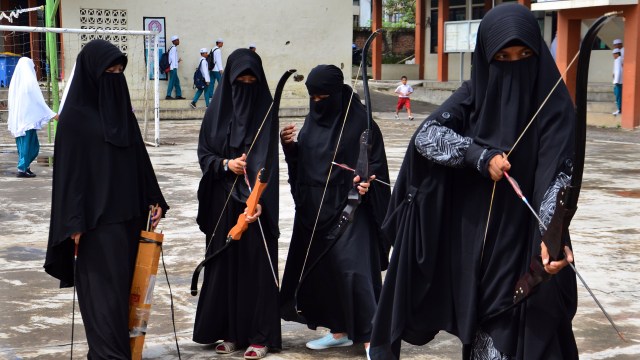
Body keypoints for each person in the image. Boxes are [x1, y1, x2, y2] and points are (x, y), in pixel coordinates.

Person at [369, 4, 578, 359]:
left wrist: (551, 236)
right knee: (482, 334)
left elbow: (557, 176)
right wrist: (479, 156)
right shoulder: (473, 95)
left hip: (528, 245)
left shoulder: (554, 105)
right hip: (475, 248)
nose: (514, 64)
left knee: (533, 337)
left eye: (525, 54)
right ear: (486, 58)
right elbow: (426, 136)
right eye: (503, 56)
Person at [44, 39, 169, 359]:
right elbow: (69, 181)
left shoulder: (122, 116)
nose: (115, 79)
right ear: (91, 75)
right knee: (104, 305)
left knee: (128, 300)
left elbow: (140, 163)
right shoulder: (73, 121)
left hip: (129, 224)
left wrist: (153, 202)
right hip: (95, 230)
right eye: (108, 73)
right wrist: (73, 226)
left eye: (120, 72)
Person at [279, 64, 391, 357]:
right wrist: (289, 147)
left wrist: (365, 182)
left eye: (322, 97)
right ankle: (338, 331)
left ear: (337, 93)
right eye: (312, 97)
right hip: (314, 209)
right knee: (324, 273)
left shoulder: (360, 123)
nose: (317, 103)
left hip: (350, 208)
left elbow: (375, 167)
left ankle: (372, 340)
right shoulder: (312, 121)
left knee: (354, 271)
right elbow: (306, 162)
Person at [194, 48, 280, 360]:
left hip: (255, 206)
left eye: (250, 81)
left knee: (255, 267)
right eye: (239, 81)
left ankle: (260, 335)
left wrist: (260, 201)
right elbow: (205, 154)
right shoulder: (214, 113)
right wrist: (225, 164)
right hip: (221, 202)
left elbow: (270, 162)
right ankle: (228, 331)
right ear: (229, 81)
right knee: (225, 264)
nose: (245, 85)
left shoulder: (267, 112)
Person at [7, 57, 57, 178]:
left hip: (20, 120)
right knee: (29, 146)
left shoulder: (16, 84)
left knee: (24, 145)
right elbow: (38, 101)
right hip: (27, 121)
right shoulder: (29, 84)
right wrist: (51, 114)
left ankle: (26, 167)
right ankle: (22, 168)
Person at [166, 35, 185, 100]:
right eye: (177, 40)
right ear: (174, 41)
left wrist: (177, 61)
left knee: (177, 81)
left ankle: (178, 95)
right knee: (172, 81)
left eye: (178, 40)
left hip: (173, 67)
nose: (178, 41)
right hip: (173, 68)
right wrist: (174, 67)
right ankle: (168, 95)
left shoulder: (172, 48)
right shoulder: (173, 48)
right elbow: (172, 59)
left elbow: (172, 59)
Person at [207, 38, 224, 103]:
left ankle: (210, 98)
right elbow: (218, 60)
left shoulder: (213, 49)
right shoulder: (218, 50)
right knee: (221, 83)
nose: (222, 44)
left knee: (211, 83)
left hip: (212, 69)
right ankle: (221, 96)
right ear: (219, 43)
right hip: (216, 69)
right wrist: (221, 69)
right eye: (222, 43)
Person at [612, 48, 623, 116]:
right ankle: (619, 107)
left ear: (617, 54)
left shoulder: (618, 60)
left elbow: (619, 70)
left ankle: (619, 110)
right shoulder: (618, 59)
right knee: (616, 92)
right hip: (618, 81)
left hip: (618, 81)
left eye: (613, 54)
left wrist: (617, 81)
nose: (613, 55)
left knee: (618, 95)